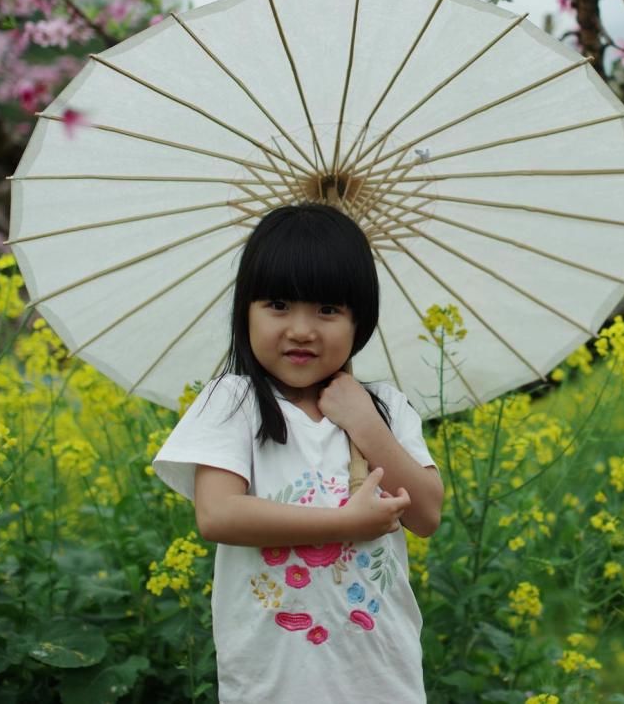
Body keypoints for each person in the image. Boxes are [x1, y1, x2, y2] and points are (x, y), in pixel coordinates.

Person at [151, 202, 444, 704]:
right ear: (246, 310)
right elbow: (218, 514)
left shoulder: (385, 408)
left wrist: (366, 424)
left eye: (328, 309)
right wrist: (345, 524)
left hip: (382, 682)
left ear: (360, 320)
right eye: (279, 305)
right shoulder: (232, 402)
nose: (303, 329)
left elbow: (426, 512)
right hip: (274, 685)